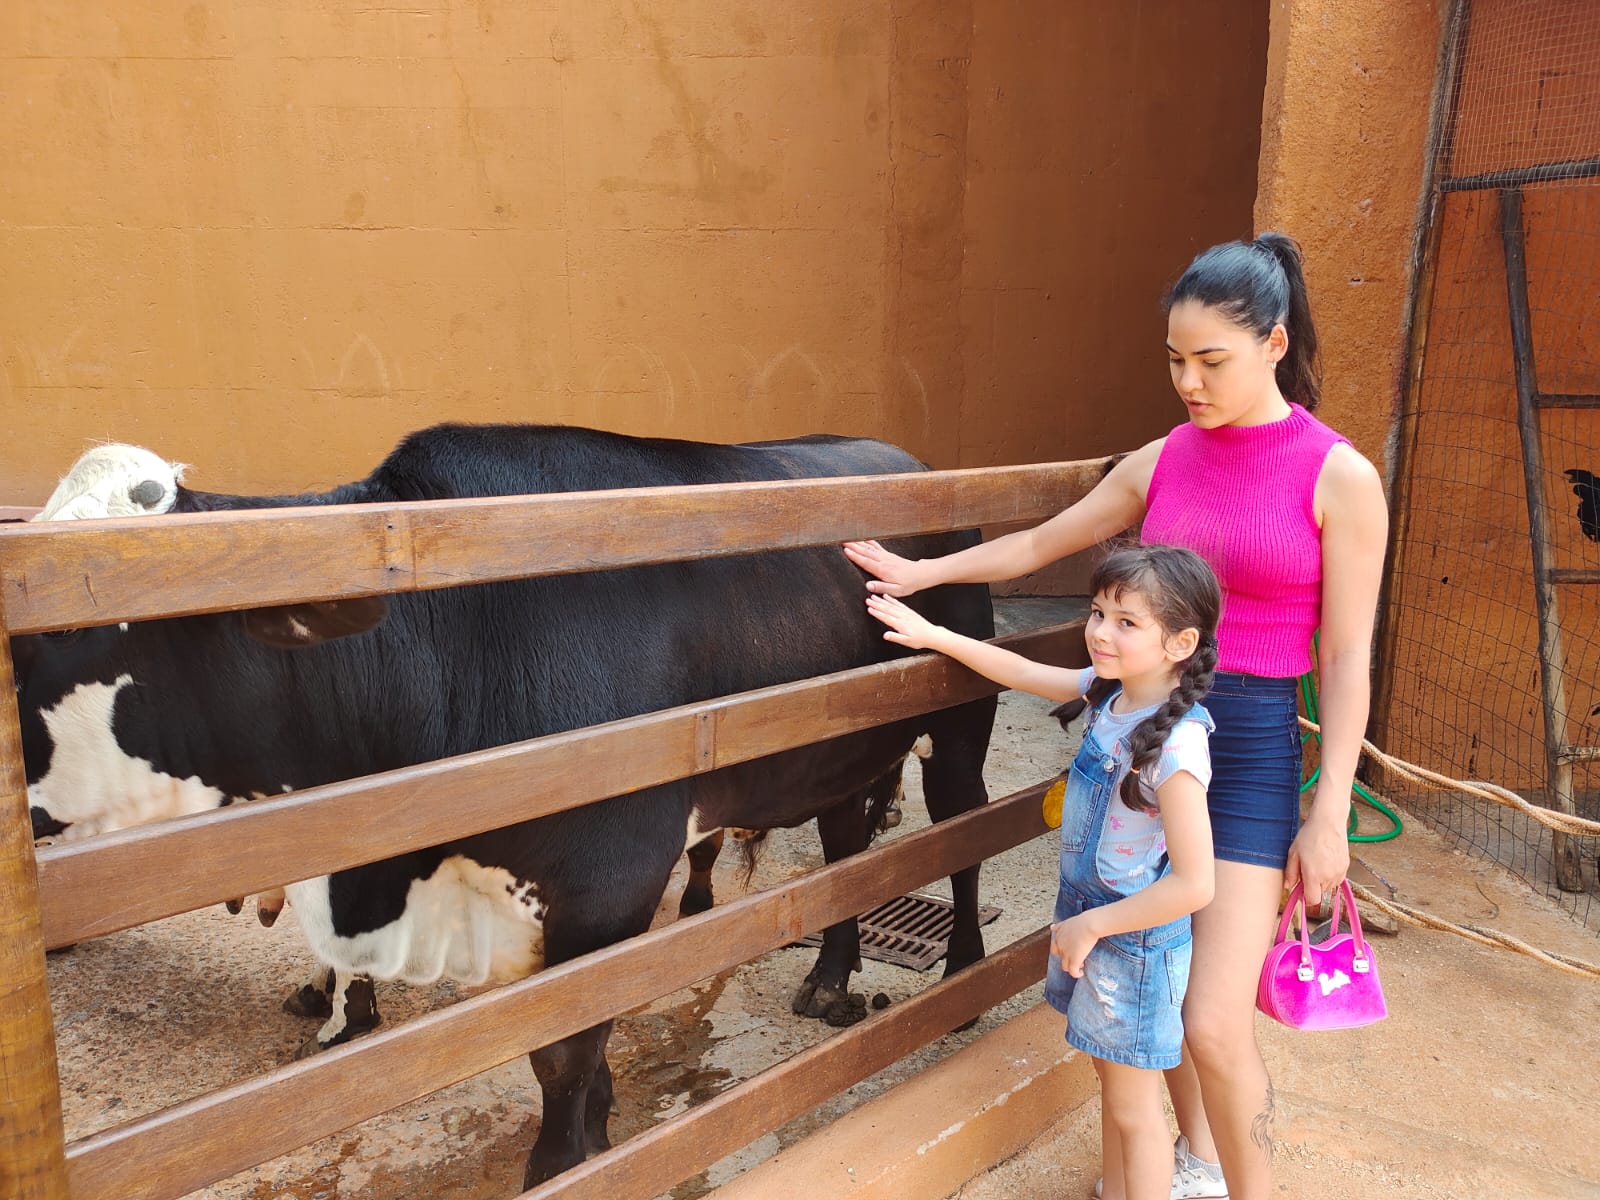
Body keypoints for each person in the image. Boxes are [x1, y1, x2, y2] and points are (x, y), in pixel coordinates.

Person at [845, 233, 1389, 1200]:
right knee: (1159, 992)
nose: (1189, 383)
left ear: (1274, 343)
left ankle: (1241, 1183)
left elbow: (1347, 656)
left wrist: (1331, 809)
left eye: (1211, 360)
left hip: (1251, 753)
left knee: (1214, 1022)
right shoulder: (1165, 457)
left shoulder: (1339, 476)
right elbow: (1043, 544)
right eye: (1175, 360)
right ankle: (1194, 1164)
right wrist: (922, 573)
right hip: (1143, 741)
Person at [868, 544, 1219, 1200]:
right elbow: (1024, 672)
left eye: (1126, 622)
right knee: (1113, 1086)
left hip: (1132, 944)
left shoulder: (1177, 747)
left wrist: (1094, 926)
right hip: (1093, 925)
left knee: (1136, 1110)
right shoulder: (1109, 695)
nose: (1100, 631)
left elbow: (1195, 883)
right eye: (1098, 613)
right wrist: (936, 635)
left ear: (1181, 644)